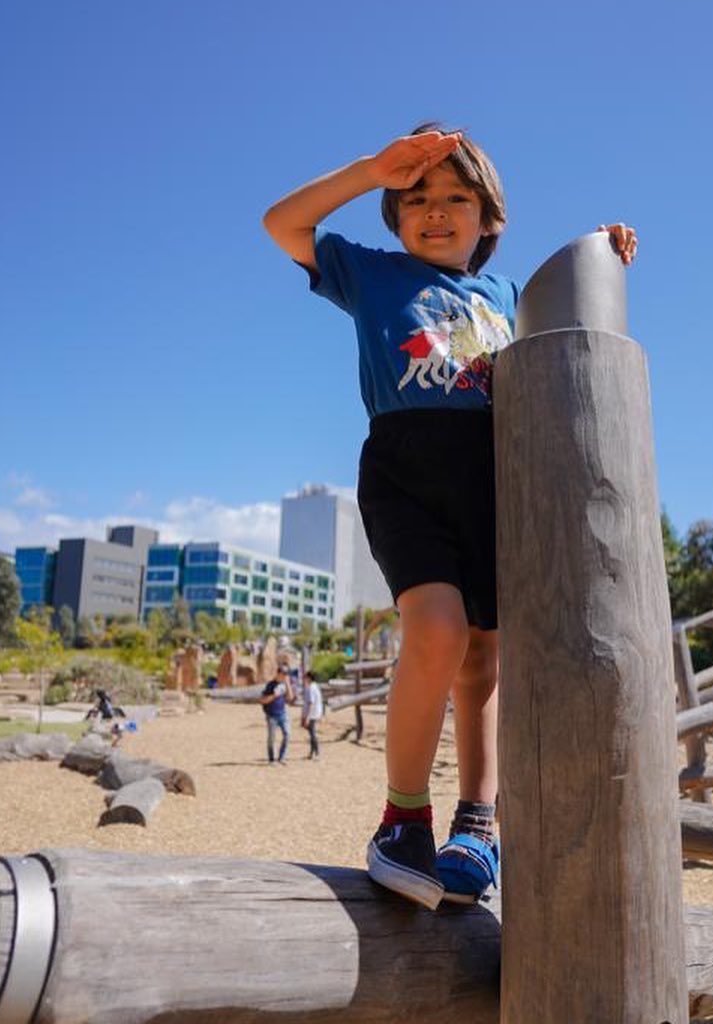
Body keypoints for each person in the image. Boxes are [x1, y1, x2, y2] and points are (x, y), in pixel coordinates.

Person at [263, 125, 637, 909]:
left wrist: (600, 251)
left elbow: (571, 320)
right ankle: (403, 819)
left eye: (456, 198)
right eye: (418, 199)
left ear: (489, 217)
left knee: (484, 660)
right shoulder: (370, 274)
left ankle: (478, 822)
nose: (436, 211)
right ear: (394, 215)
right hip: (405, 470)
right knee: (437, 630)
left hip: (495, 478)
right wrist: (370, 169)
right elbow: (283, 224)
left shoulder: (509, 298)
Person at [260, 664, 295, 765]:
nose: (285, 676)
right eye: (284, 673)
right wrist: (274, 696)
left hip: (283, 714)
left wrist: (288, 684)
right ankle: (271, 759)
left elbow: (290, 698)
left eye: (287, 674)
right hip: (271, 715)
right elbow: (263, 700)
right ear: (278, 673)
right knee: (271, 738)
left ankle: (282, 757)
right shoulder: (270, 685)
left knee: (287, 735)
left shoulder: (284, 684)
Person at [300, 670, 324, 760]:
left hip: (312, 714)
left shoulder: (311, 688)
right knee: (311, 733)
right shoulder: (314, 687)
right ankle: (312, 753)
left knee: (312, 733)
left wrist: (307, 717)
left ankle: (316, 753)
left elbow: (310, 703)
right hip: (315, 713)